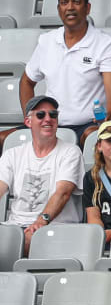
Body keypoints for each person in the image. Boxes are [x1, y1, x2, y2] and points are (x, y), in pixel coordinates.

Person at [14, 0, 111, 146]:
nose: (70, 7)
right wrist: (31, 117)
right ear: (59, 9)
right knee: (3, 139)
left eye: (76, 2)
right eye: (64, 3)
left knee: (93, 138)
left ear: (88, 8)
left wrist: (110, 115)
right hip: (50, 124)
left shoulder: (105, 44)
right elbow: (26, 82)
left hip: (89, 126)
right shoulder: (47, 41)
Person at [0, 96, 83, 251]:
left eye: (53, 115)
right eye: (40, 115)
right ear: (28, 122)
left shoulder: (70, 151)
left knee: (22, 243)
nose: (48, 119)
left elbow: (63, 193)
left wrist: (42, 220)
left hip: (55, 226)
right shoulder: (13, 154)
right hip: (15, 226)